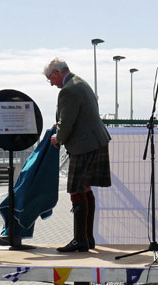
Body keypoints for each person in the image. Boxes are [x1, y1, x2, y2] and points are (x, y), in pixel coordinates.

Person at [44, 58, 111, 252]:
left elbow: (68, 121)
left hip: (84, 145)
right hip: (95, 141)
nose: (50, 83)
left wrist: (58, 137)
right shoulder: (80, 83)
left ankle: (80, 240)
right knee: (86, 189)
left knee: (77, 190)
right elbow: (76, 115)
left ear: (56, 73)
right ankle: (87, 239)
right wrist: (61, 127)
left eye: (50, 78)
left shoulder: (68, 90)